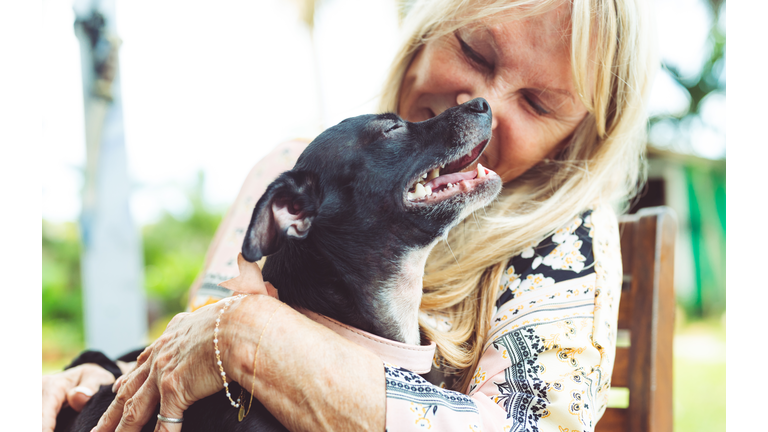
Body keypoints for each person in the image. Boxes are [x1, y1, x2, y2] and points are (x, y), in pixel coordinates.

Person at [42, 0, 656, 430]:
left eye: (538, 103)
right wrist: (86, 376)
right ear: (429, 29)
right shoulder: (294, 169)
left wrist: (254, 338)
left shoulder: (566, 243)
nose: (485, 106)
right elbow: (189, 350)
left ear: (578, 135)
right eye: (475, 52)